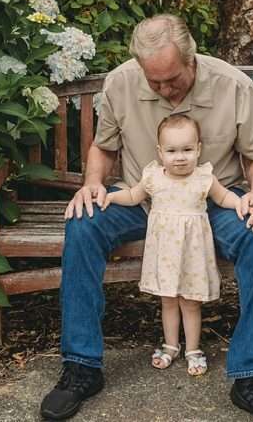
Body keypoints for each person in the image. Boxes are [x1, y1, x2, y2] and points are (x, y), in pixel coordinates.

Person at [39, 14, 253, 421]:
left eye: (171, 79)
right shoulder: (122, 82)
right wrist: (92, 183)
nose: (163, 89)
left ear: (191, 58)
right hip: (144, 201)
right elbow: (104, 148)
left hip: (213, 202)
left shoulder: (232, 85)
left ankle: (252, 374)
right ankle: (81, 367)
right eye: (153, 81)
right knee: (82, 225)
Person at [98, 115, 242, 377]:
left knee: (190, 302)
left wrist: (242, 203)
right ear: (160, 152)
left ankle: (194, 350)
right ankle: (171, 345)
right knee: (167, 301)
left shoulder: (203, 178)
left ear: (198, 148)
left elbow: (224, 197)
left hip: (192, 253)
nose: (180, 157)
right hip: (165, 253)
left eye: (187, 150)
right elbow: (132, 196)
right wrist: (108, 196)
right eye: (172, 151)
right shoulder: (154, 177)